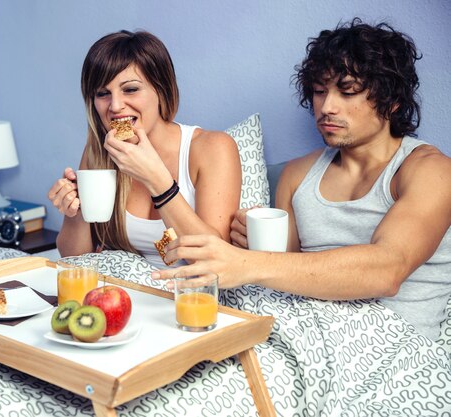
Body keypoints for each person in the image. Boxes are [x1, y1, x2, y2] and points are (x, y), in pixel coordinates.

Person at [154, 18, 451, 340]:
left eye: (348, 91)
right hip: (310, 330)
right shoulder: (297, 175)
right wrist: (253, 243)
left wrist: (247, 262)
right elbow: (290, 269)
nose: (327, 107)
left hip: (393, 344)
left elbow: (387, 269)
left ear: (392, 101)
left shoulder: (430, 171)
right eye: (320, 92)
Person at [47, 30, 241, 268]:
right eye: (103, 94)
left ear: (161, 89)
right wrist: (74, 213)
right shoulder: (97, 152)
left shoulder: (212, 148)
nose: (115, 106)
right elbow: (74, 260)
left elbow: (216, 262)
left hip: (187, 298)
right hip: (126, 294)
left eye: (130, 89)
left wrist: (156, 180)